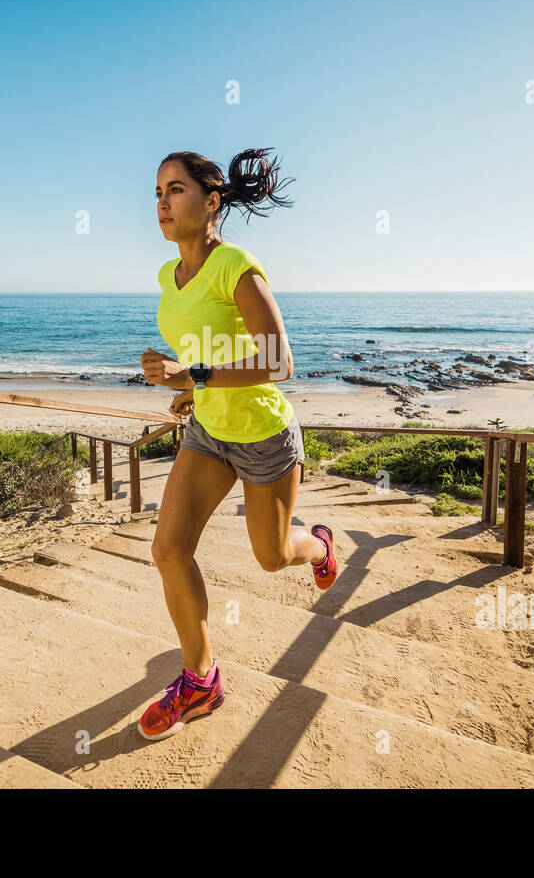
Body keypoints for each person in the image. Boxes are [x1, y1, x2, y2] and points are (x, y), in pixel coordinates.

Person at [135, 147, 339, 741]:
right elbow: (209, 350)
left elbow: (278, 361)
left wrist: (190, 376)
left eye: (175, 190)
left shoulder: (237, 266)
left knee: (271, 557)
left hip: (264, 439)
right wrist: (194, 392)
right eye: (157, 194)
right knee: (168, 550)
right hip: (208, 432)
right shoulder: (166, 277)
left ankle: (319, 545)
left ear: (211, 200)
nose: (163, 204)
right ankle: (200, 681)